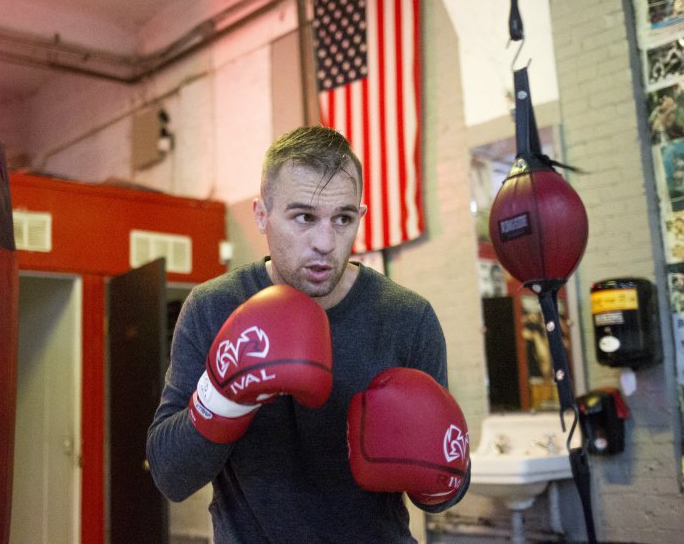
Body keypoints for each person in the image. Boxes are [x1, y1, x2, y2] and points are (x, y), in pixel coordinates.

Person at [146, 126, 468, 543]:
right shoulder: (212, 308)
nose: (325, 242)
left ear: (361, 217)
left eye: (343, 219)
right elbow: (170, 476)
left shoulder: (408, 318)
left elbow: (444, 490)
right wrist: (222, 398)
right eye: (304, 217)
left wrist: (436, 468)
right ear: (262, 215)